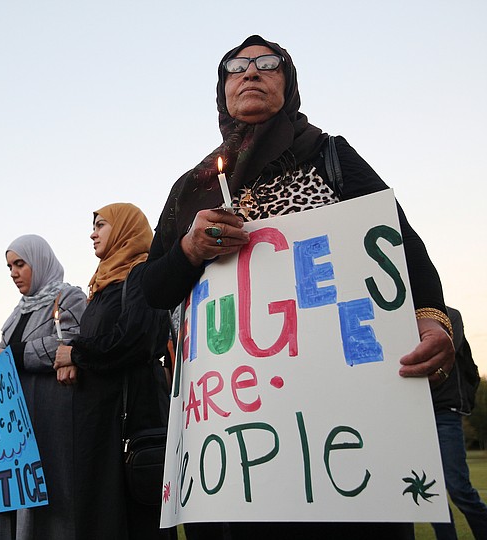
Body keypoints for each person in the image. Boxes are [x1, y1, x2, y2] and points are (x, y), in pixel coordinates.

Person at [140, 35, 455, 540]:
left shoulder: (328, 155)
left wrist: (432, 318)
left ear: (289, 82)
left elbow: (400, 242)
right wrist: (189, 251)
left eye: (268, 64)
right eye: (236, 66)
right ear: (221, 89)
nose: (251, 73)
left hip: (342, 435)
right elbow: (149, 292)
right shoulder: (191, 189)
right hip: (231, 441)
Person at [52, 203, 173, 540]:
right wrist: (75, 361)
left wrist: (77, 352)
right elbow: (104, 344)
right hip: (101, 426)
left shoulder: (141, 275)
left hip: (127, 423)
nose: (93, 233)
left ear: (124, 230)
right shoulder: (104, 287)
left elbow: (137, 339)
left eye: (101, 224)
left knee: (130, 521)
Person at [0, 234, 87, 540]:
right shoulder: (15, 314)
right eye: (9, 266)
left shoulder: (69, 298)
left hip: (51, 416)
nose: (13, 273)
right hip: (15, 425)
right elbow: (7, 356)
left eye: (20, 264)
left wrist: (12, 356)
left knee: (52, 500)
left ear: (40, 261)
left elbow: (69, 342)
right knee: (12, 500)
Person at [431, 307, 487, 540]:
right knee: (431, 495)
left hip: (445, 412)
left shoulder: (449, 314)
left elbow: (442, 354)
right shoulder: (398, 318)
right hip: (416, 414)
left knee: (459, 489)